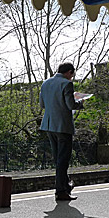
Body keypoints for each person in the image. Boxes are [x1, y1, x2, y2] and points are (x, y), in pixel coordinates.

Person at [39, 63, 84, 201]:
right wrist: (80, 102)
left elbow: (42, 104)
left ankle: (66, 185)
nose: (71, 78)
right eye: (72, 75)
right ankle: (61, 191)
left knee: (58, 158)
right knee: (63, 159)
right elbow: (70, 105)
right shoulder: (66, 84)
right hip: (63, 126)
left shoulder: (45, 83)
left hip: (49, 125)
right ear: (69, 72)